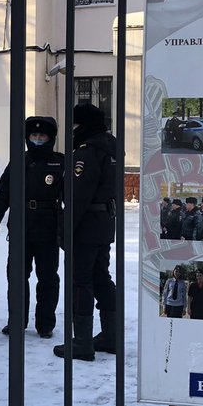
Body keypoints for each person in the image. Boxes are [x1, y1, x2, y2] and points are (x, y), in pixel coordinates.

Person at [0, 116, 63, 337]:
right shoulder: (19, 161)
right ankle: (17, 321)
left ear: (50, 139)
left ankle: (46, 324)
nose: (38, 139)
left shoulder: (60, 162)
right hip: (22, 227)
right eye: (34, 135)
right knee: (17, 276)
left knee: (48, 277)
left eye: (42, 136)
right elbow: (4, 191)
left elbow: (71, 195)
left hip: (48, 227)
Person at [53, 101, 118, 362]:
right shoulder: (110, 147)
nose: (72, 130)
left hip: (86, 225)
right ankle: (111, 336)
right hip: (104, 223)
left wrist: (65, 230)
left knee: (81, 281)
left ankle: (81, 342)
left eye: (75, 125)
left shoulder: (87, 152)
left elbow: (77, 196)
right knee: (102, 276)